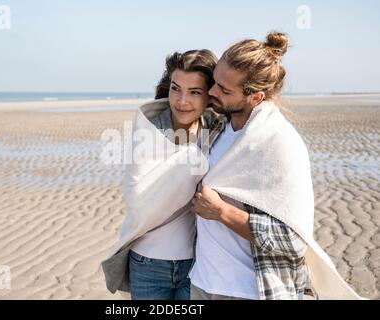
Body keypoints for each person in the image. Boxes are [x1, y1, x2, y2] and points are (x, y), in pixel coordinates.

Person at [189, 31, 363, 300]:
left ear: (255, 97)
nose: (212, 92)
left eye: (224, 89)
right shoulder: (218, 128)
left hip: (247, 289)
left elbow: (292, 240)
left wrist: (222, 211)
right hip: (202, 282)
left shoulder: (280, 143)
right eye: (214, 82)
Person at [101, 49, 226, 300]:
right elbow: (138, 196)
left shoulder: (217, 131)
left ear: (210, 95)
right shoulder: (149, 130)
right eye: (176, 89)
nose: (182, 101)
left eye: (194, 92)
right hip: (148, 263)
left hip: (196, 265)